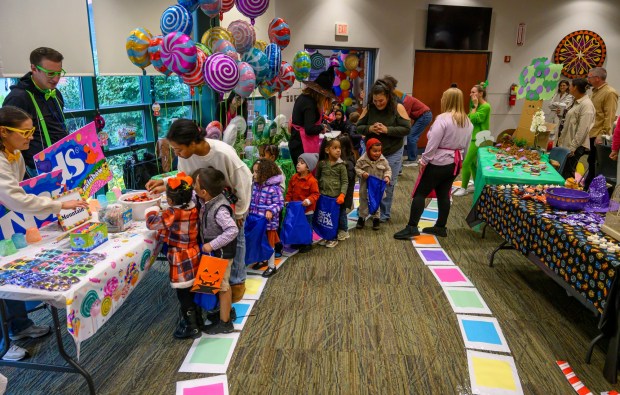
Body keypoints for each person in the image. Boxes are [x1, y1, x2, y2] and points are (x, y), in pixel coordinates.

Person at [0, 106, 87, 361]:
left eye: (32, 131)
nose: (30, 137)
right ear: (3, 132)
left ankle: (18, 326)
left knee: (10, 273)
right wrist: (60, 205)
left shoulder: (13, 153)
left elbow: (20, 193)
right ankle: (3, 345)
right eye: (24, 132)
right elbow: (17, 200)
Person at [145, 119, 252, 302]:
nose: (177, 154)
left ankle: (237, 281)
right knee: (213, 238)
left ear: (193, 142)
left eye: (179, 149)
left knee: (236, 237)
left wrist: (240, 212)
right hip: (209, 201)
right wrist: (164, 184)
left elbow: (242, 183)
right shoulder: (185, 157)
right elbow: (184, 178)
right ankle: (215, 280)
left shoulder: (222, 153)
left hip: (233, 199)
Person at [394, 88, 473, 240]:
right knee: (444, 194)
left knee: (420, 193)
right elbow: (467, 146)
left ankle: (411, 227)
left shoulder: (443, 119)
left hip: (439, 162)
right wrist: (460, 161)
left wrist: (423, 160)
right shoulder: (467, 121)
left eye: (443, 97)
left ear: (447, 100)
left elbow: (433, 143)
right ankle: (440, 227)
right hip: (455, 163)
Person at [145, 173, 202, 339]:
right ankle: (197, 318)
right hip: (193, 253)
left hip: (180, 257)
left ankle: (191, 327)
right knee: (192, 289)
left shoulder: (173, 213)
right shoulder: (193, 207)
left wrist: (152, 209)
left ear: (169, 201)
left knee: (183, 293)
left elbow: (152, 223)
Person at [3, 48, 69, 177]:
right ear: (34, 68)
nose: (56, 79)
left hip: (63, 165)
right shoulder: (18, 98)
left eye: (59, 73)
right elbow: (8, 142)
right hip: (35, 172)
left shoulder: (56, 94)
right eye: (50, 73)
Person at [356, 79, 411, 222]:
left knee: (388, 182)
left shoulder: (397, 107)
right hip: (371, 152)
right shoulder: (369, 108)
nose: (378, 103)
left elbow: (406, 129)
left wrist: (387, 130)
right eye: (375, 100)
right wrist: (370, 128)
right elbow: (358, 127)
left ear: (388, 97)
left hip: (392, 150)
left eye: (381, 100)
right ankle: (366, 208)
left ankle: (383, 213)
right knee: (368, 181)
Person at [194, 167, 239, 334]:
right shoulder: (209, 200)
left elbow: (232, 230)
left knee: (223, 287)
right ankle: (225, 311)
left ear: (204, 192)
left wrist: (211, 245)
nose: (193, 188)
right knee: (217, 285)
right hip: (216, 254)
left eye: (195, 185)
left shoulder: (219, 209)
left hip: (221, 254)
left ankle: (225, 322)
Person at [290, 67, 336, 165]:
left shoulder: (304, 97)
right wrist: (321, 127)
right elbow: (309, 129)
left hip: (296, 142)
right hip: (301, 145)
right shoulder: (309, 103)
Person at [383, 76, 433, 166]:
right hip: (422, 116)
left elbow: (405, 119)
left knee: (411, 137)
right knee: (411, 136)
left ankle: (413, 160)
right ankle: (412, 158)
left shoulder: (406, 101)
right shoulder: (403, 98)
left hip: (425, 115)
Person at [453, 82, 491, 197]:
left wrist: (474, 107)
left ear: (481, 93)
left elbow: (474, 119)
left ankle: (463, 188)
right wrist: (474, 107)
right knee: (472, 164)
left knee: (466, 163)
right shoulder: (477, 106)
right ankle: (475, 184)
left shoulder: (485, 106)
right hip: (473, 137)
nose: (470, 94)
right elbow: (469, 118)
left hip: (480, 138)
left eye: (473, 92)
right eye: (471, 92)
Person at [248, 160, 284, 278]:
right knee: (259, 241)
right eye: (253, 171)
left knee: (269, 244)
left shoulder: (274, 188)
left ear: (266, 173)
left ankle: (271, 266)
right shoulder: (255, 186)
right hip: (256, 221)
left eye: (257, 172)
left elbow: (279, 203)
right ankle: (262, 260)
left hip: (268, 223)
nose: (254, 174)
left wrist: (270, 210)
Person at [585, 67, 619, 190]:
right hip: (591, 132)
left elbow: (609, 116)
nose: (587, 79)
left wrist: (602, 134)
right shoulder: (594, 91)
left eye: (589, 77)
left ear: (597, 78)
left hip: (598, 134)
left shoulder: (609, 92)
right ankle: (587, 188)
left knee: (595, 164)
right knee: (590, 161)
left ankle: (592, 192)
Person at [557, 78, 594, 179]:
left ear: (575, 87)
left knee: (568, 174)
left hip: (575, 146)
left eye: (571, 85)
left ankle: (568, 193)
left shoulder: (587, 105)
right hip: (567, 143)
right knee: (562, 171)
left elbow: (583, 129)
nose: (569, 88)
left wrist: (573, 147)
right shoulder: (574, 101)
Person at [316, 137, 348, 247]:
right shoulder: (322, 164)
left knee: (333, 219)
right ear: (327, 150)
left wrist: (342, 194)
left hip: (335, 198)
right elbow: (317, 178)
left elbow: (345, 182)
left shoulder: (341, 166)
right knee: (324, 218)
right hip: (323, 196)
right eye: (335, 148)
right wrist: (317, 192)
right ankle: (326, 236)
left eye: (339, 148)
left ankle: (333, 238)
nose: (338, 150)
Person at [285, 153, 320, 253]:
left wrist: (308, 200)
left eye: (302, 163)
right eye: (298, 162)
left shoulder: (312, 181)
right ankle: (297, 241)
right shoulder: (294, 178)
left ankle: (307, 243)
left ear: (308, 167)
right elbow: (289, 191)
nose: (298, 164)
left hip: (307, 210)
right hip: (295, 209)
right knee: (296, 225)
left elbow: (316, 194)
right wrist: (287, 201)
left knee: (306, 226)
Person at [355, 138, 392, 231]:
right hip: (365, 188)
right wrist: (362, 173)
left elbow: (388, 169)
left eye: (379, 151)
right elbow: (357, 168)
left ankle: (376, 219)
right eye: (374, 151)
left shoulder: (383, 160)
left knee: (376, 204)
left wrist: (387, 177)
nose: (377, 153)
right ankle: (361, 218)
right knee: (363, 203)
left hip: (377, 188)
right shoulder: (362, 160)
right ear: (368, 150)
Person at [337, 134, 357, 240]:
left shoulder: (348, 163)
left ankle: (344, 230)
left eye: (338, 148)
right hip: (339, 192)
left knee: (341, 212)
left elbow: (347, 180)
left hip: (344, 192)